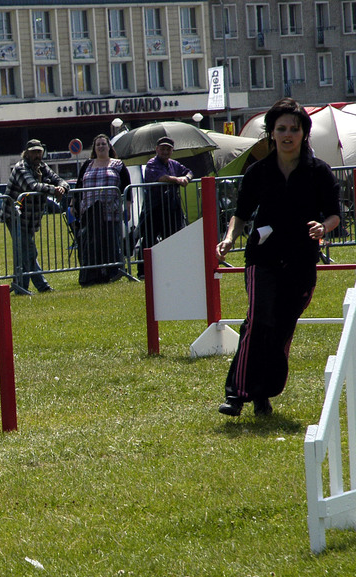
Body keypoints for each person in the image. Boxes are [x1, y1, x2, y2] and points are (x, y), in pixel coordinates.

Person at [216, 98, 341, 417]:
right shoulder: (258, 172)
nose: (287, 134)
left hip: (301, 260)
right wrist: (230, 237)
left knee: (282, 327)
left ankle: (263, 393)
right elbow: (241, 215)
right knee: (259, 320)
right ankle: (237, 393)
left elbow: (334, 215)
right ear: (271, 133)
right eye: (281, 128)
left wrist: (322, 227)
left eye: (293, 129)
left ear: (303, 133)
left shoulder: (319, 172)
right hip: (263, 257)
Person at [1, 139, 69, 294]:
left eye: (39, 151)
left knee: (25, 251)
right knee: (28, 250)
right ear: (26, 153)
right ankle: (40, 286)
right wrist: (54, 190)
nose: (37, 155)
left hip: (31, 217)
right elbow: (31, 186)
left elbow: (59, 179)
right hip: (15, 216)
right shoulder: (20, 168)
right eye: (33, 151)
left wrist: (62, 188)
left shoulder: (43, 167)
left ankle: (21, 286)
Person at [74, 134, 131, 286]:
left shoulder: (118, 164)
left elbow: (127, 188)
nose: (100, 147)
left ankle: (113, 272)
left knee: (111, 242)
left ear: (109, 147)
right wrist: (75, 205)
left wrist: (128, 207)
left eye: (103, 144)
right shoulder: (87, 164)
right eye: (97, 144)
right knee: (91, 244)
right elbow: (78, 187)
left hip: (110, 212)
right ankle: (94, 274)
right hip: (90, 212)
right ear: (94, 148)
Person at [139, 135, 193, 274]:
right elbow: (161, 177)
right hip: (154, 208)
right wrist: (178, 180)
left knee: (173, 238)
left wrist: (186, 178)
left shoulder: (174, 164)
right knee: (149, 240)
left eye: (168, 149)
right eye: (162, 149)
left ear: (172, 151)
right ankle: (143, 271)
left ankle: (171, 267)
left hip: (172, 207)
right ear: (157, 149)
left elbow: (189, 172)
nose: (165, 152)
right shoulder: (152, 163)